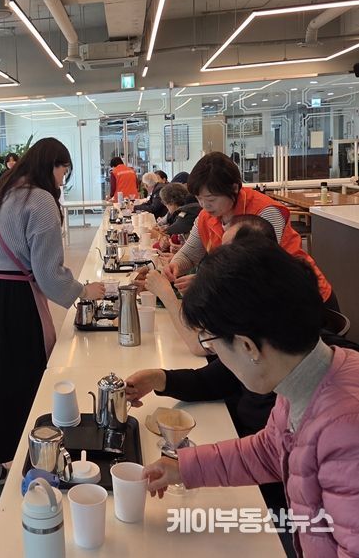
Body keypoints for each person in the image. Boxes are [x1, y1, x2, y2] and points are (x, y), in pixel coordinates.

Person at [142, 240, 359, 557]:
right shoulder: (303, 375)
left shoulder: (345, 432)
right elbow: (270, 450)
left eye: (211, 343)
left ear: (248, 347)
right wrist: (184, 467)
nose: (215, 354)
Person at [0, 138, 105, 488]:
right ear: (52, 165)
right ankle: (33, 462)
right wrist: (83, 291)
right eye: (64, 170)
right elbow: (48, 273)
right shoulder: (41, 200)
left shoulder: (1, 191)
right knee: (21, 382)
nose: (63, 178)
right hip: (15, 302)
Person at [165, 152, 337, 309]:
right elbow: (190, 254)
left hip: (301, 299)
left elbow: (258, 270)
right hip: (260, 304)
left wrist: (206, 282)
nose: (204, 205)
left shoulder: (265, 211)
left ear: (234, 188)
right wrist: (175, 266)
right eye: (199, 198)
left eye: (211, 199)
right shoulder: (206, 216)